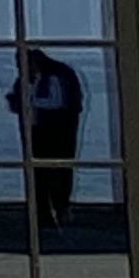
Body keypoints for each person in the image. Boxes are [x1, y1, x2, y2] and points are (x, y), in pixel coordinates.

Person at [21, 47, 87, 229]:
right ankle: (48, 211)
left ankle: (57, 208)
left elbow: (56, 102)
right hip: (43, 131)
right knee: (46, 172)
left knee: (55, 172)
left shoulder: (54, 77)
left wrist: (28, 102)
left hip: (54, 132)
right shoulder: (48, 75)